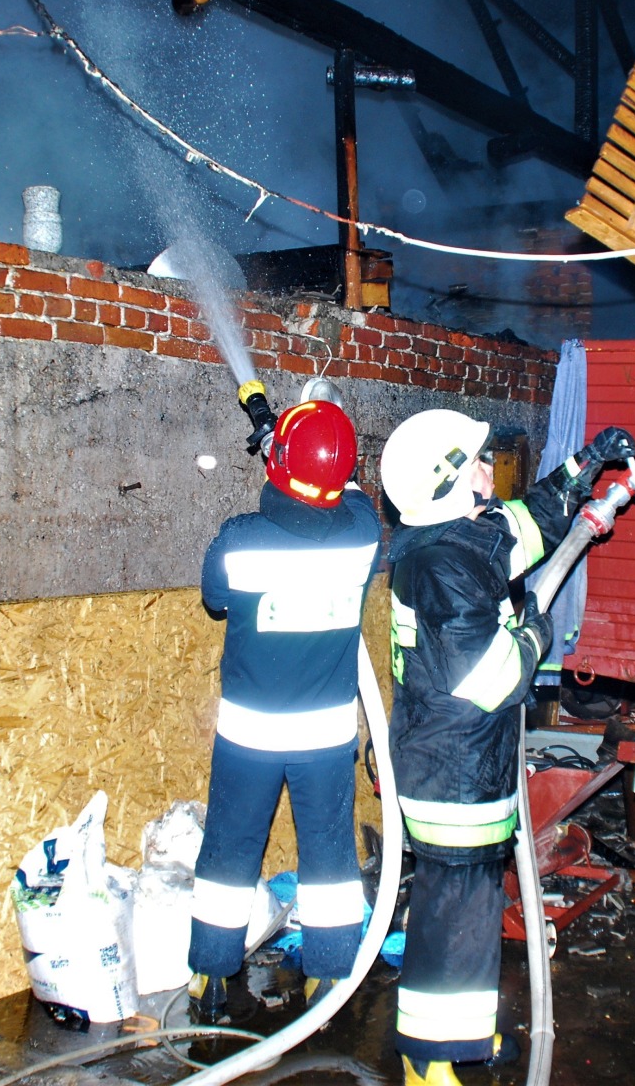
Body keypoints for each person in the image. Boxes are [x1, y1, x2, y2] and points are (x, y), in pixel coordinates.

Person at [377, 410, 635, 1086]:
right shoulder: (442, 567)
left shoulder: (463, 534)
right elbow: (490, 677)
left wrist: (586, 465)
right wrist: (536, 633)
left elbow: (531, 524)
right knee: (453, 912)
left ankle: (462, 1035)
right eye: (475, 461)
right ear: (449, 483)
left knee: (470, 908)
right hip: (451, 772)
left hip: (465, 760)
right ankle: (426, 1059)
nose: (489, 467)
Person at [189, 398, 382, 1021]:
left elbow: (215, 599)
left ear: (279, 467)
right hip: (325, 736)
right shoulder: (363, 536)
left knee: (230, 846)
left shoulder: (240, 541)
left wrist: (281, 458)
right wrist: (304, 459)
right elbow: (350, 493)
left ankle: (209, 976)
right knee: (329, 853)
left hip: (249, 735)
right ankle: (330, 975)